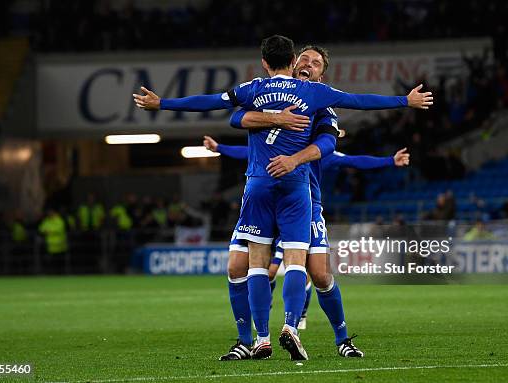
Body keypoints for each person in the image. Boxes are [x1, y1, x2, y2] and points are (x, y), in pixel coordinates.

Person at [134, 35, 431, 360]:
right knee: (242, 266)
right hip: (280, 188)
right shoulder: (278, 93)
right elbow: (235, 118)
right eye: (304, 59)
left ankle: (336, 337)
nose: (308, 64)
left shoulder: (322, 103)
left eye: (316, 63)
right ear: (292, 63)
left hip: (301, 193)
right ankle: (255, 338)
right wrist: (271, 119)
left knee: (316, 272)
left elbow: (332, 146)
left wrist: (294, 155)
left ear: (322, 73)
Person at [204, 132, 409, 358]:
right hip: (264, 205)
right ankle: (248, 341)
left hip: (303, 209)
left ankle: (341, 339)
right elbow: (247, 151)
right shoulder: (275, 139)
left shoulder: (318, 151)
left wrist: (390, 160)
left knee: (320, 274)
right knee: (236, 267)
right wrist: (220, 148)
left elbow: (352, 160)